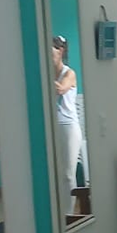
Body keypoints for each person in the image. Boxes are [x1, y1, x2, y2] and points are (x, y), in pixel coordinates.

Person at [52, 35, 82, 217]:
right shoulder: (48, 73)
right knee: (55, 172)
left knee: (68, 174)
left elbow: (60, 89)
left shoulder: (69, 73)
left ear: (60, 51)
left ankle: (68, 213)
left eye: (51, 51)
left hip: (69, 127)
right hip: (52, 126)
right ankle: (56, 211)